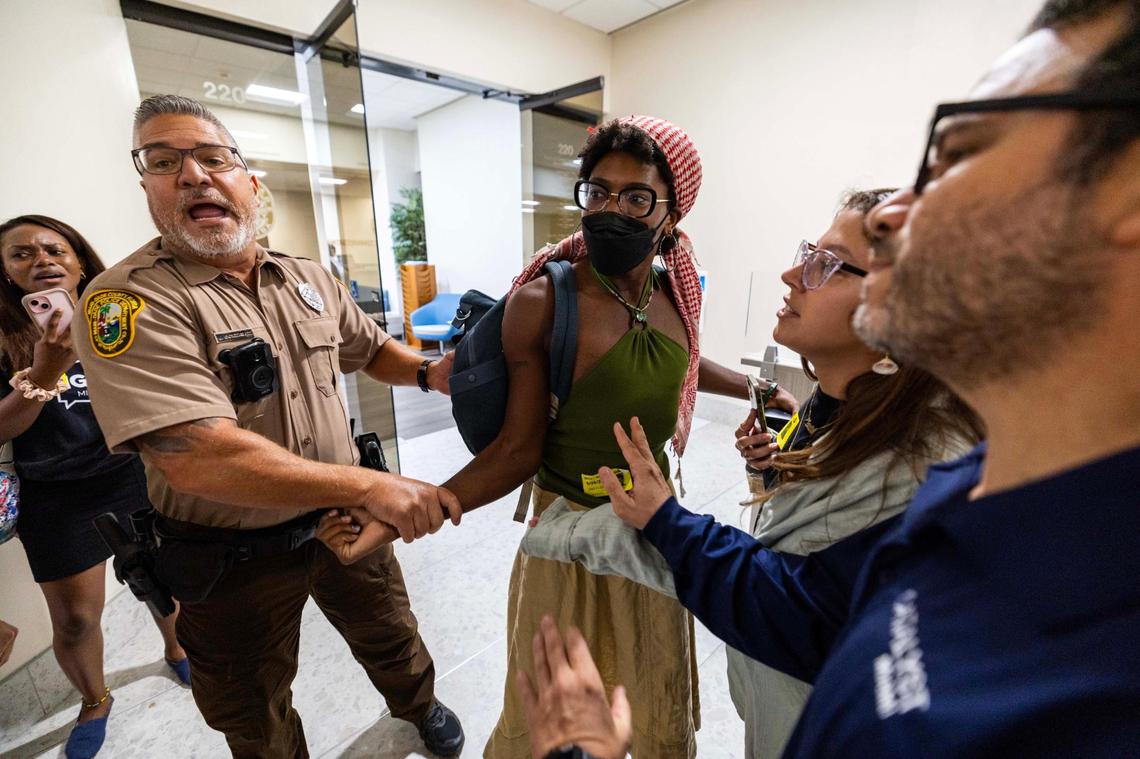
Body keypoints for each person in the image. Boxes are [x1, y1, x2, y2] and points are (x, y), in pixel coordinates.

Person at [518, 0, 1140, 754]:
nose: (893, 217)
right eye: (601, 193)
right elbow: (818, 604)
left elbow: (793, 608)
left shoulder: (1077, 660)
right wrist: (782, 462)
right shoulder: (977, 492)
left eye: (961, 152)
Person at [318, 115, 795, 759]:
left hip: (654, 535)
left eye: (635, 197)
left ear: (672, 211)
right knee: (552, 723)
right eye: (596, 191)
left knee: (651, 702)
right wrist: (414, 509)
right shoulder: (545, 301)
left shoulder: (672, 288)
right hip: (567, 544)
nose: (610, 210)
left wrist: (754, 390)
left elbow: (680, 357)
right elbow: (518, 450)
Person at [519, 189, 983, 758]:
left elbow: (790, 599)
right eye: (807, 252)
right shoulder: (842, 401)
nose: (791, 274)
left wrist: (659, 521)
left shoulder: (926, 462)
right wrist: (770, 468)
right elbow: (807, 527)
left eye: (825, 265)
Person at [72, 94, 465, 759]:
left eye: (213, 157)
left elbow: (369, 350)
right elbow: (194, 455)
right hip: (229, 556)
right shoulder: (129, 299)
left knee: (390, 629)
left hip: (343, 522)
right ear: (148, 189)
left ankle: (419, 705)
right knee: (251, 701)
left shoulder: (307, 276)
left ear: (248, 184)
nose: (194, 174)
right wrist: (371, 486)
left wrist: (431, 373)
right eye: (165, 161)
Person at [0, 214, 188, 759]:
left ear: (80, 259)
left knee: (164, 582)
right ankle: (95, 699)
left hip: (135, 473)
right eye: (21, 254)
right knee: (78, 619)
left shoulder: (118, 315)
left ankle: (177, 650)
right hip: (54, 494)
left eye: (54, 249)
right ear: (6, 273)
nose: (41, 260)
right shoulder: (5, 336)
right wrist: (44, 370)